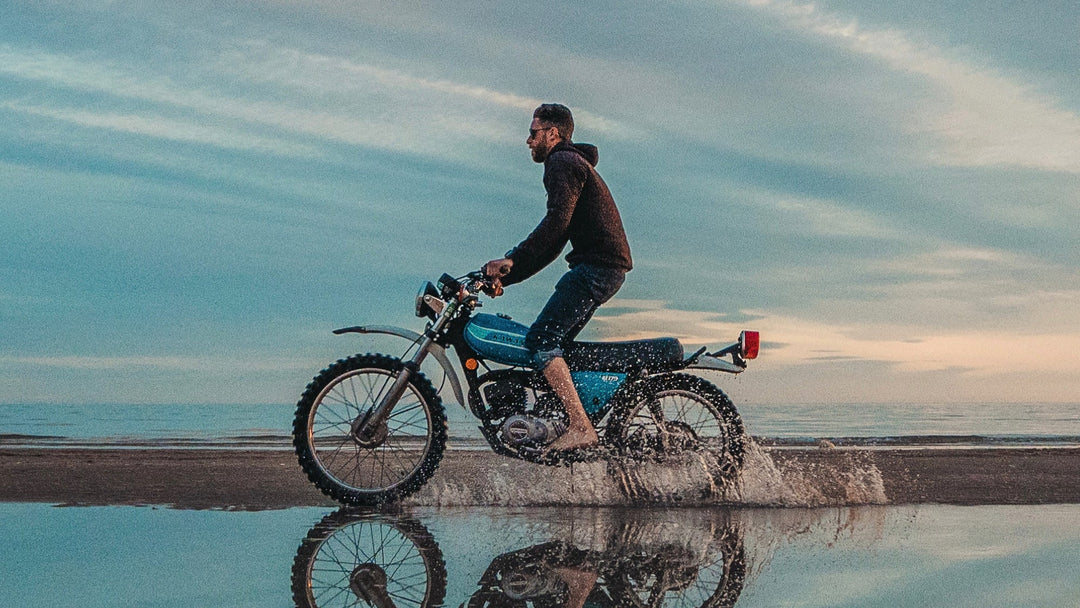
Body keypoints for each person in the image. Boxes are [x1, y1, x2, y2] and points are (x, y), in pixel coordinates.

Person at [484, 103, 632, 454]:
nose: (528, 140)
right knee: (556, 346)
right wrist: (513, 271)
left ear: (553, 134)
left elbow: (555, 225)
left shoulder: (562, 163)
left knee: (541, 341)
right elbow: (556, 240)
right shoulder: (571, 164)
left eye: (533, 133)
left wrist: (512, 259)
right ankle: (560, 418)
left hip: (597, 268)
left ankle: (581, 426)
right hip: (600, 268)